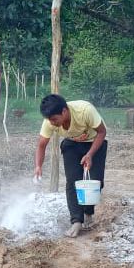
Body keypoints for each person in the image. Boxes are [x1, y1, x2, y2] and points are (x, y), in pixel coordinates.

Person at [34, 94, 108, 238]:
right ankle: (76, 220)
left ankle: (88, 212)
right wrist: (38, 166)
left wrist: (90, 154)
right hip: (71, 145)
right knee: (72, 181)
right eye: (49, 120)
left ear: (64, 111)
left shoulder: (85, 110)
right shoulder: (49, 121)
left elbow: (102, 131)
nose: (52, 123)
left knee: (95, 181)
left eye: (55, 119)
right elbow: (42, 145)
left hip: (95, 142)